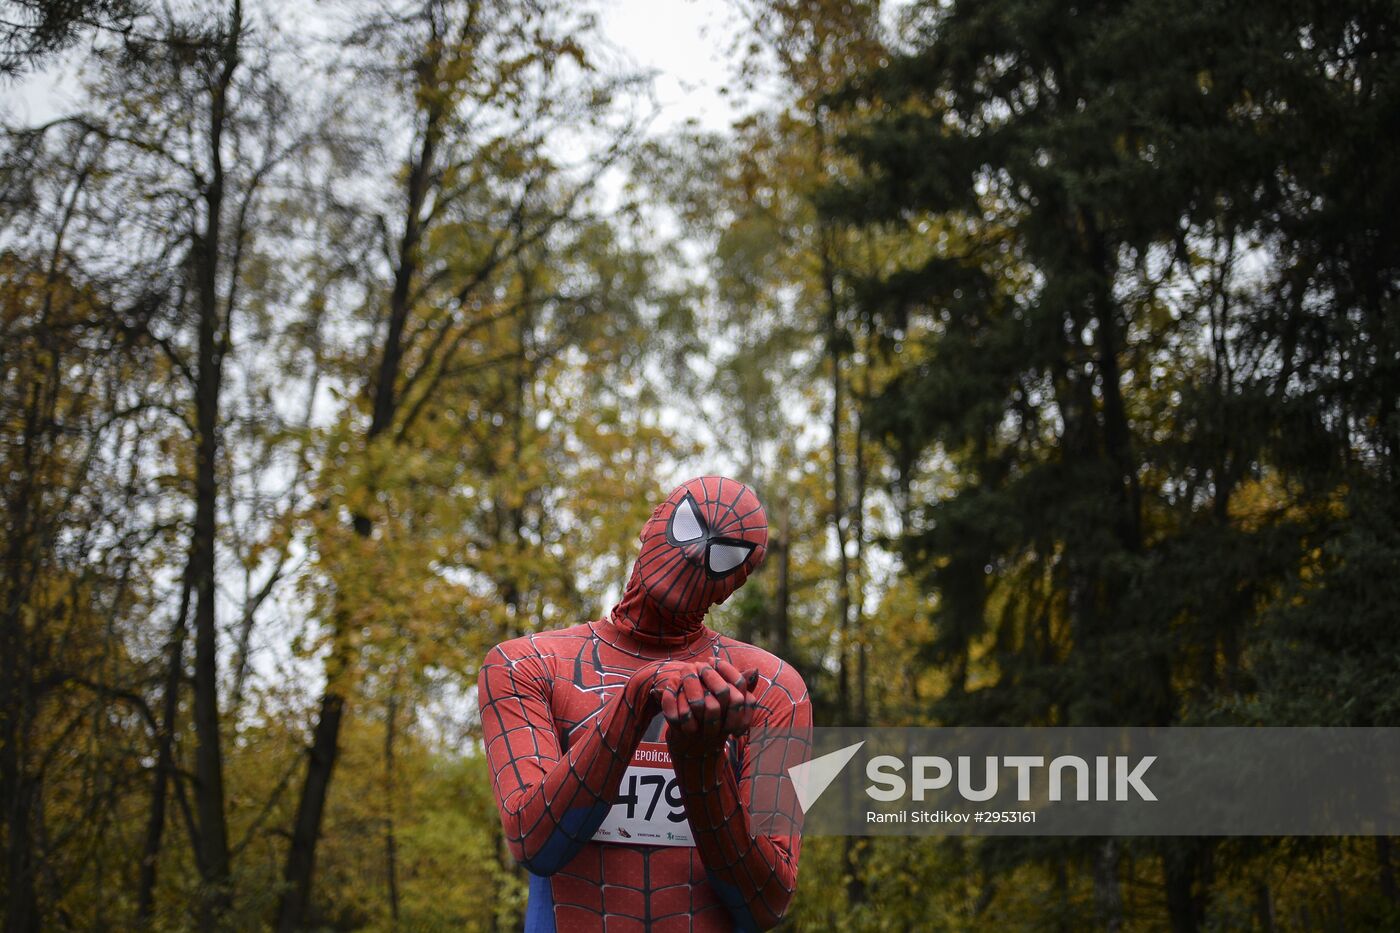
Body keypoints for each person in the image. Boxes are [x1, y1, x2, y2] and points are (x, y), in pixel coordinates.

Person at [478, 476, 811, 932]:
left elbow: (768, 902)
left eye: (725, 553)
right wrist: (636, 700)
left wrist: (701, 764)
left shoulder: (770, 689)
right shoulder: (528, 666)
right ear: (653, 522)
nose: (696, 552)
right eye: (689, 524)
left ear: (735, 583)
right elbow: (534, 841)